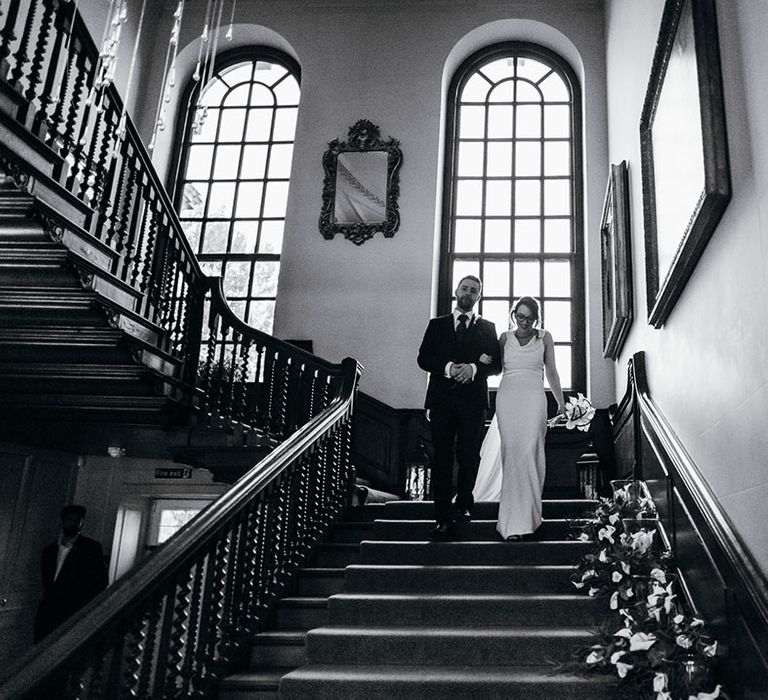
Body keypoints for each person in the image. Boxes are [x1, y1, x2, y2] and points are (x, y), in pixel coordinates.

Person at [417, 275, 502, 538]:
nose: (468, 293)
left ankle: (464, 503)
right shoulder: (437, 325)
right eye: (464, 288)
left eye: (474, 290)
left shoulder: (487, 328)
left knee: (468, 456)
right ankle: (442, 516)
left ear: (479, 297)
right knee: (442, 458)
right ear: (456, 291)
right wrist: (448, 368)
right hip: (441, 401)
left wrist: (474, 368)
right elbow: (423, 358)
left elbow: (497, 364)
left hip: (473, 403)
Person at [476, 297, 566, 541]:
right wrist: (481, 360)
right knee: (512, 454)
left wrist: (560, 402)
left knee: (531, 452)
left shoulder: (544, 337)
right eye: (520, 316)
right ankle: (511, 523)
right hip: (508, 398)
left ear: (536, 318)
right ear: (513, 314)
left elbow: (552, 370)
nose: (524, 322)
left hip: (535, 398)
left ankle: (531, 517)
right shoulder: (504, 338)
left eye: (529, 318)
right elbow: (493, 367)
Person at [34, 505, 109, 642]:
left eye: (77, 520)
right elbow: (47, 583)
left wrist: (80, 606)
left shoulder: (91, 548)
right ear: (62, 521)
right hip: (48, 613)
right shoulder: (49, 551)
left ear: (82, 522)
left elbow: (101, 582)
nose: (73, 523)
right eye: (69, 519)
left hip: (73, 613)